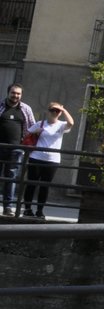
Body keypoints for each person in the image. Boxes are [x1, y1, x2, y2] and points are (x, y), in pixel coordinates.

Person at [21, 102, 71, 220]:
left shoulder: (61, 125)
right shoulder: (40, 123)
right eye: (52, 110)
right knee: (31, 183)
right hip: (36, 157)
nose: (54, 112)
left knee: (45, 186)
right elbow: (27, 134)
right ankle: (27, 209)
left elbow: (71, 123)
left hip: (52, 160)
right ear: (48, 111)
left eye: (57, 111)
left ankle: (40, 210)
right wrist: (35, 131)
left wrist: (63, 110)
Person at [0, 83, 36, 216]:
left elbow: (32, 127)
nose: (15, 96)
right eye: (13, 93)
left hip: (17, 150)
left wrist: (26, 144)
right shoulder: (1, 106)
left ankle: (8, 207)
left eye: (18, 94)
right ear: (8, 93)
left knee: (12, 178)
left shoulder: (25, 109)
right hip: (0, 147)